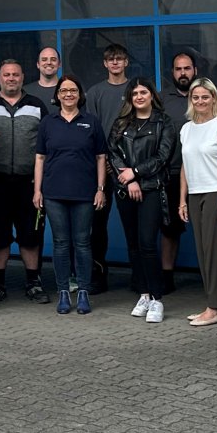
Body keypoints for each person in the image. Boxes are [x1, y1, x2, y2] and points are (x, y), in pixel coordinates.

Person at [33, 74, 107, 314]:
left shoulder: (91, 122)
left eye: (73, 90)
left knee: (83, 243)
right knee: (61, 243)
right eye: (63, 91)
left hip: (84, 193)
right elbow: (40, 158)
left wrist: (100, 189)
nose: (68, 94)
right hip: (54, 193)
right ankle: (63, 292)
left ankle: (83, 292)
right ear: (57, 95)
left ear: (79, 94)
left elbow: (101, 157)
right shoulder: (48, 122)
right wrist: (37, 190)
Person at [107, 78, 176, 323]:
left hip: (152, 189)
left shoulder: (163, 122)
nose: (139, 96)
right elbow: (113, 153)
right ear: (130, 97)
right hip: (126, 190)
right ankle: (144, 294)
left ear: (151, 95)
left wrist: (135, 173)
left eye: (143, 92)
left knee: (147, 243)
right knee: (134, 244)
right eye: (135, 93)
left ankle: (157, 299)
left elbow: (163, 156)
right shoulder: (121, 123)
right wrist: (129, 181)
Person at [0, 59, 50, 304]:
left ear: (22, 78)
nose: (11, 78)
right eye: (6, 75)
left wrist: (41, 178)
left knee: (30, 235)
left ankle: (33, 283)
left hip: (28, 183)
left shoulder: (36, 105)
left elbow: (47, 143)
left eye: (15, 75)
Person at [177, 78, 217, 326]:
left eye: (205, 96)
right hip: (195, 194)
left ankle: (213, 308)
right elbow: (185, 166)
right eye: (196, 97)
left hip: (216, 192)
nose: (200, 101)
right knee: (203, 252)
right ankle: (216, 306)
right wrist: (182, 200)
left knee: (213, 252)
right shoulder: (186, 129)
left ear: (214, 98)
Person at [84, 42, 130, 293]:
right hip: (101, 167)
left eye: (119, 58)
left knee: (133, 222)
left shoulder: (134, 89)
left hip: (128, 168)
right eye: (111, 59)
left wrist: (123, 164)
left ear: (126, 62)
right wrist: (104, 162)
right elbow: (92, 130)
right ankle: (98, 274)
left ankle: (140, 277)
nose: (115, 62)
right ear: (105, 63)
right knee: (98, 223)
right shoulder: (95, 93)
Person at [158, 51, 197, 292]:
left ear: (195, 71)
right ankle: (167, 276)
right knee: (170, 228)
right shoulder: (163, 99)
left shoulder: (204, 95)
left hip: (202, 173)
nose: (183, 73)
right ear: (172, 72)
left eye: (187, 68)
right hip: (171, 171)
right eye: (178, 69)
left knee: (208, 228)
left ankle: (214, 278)